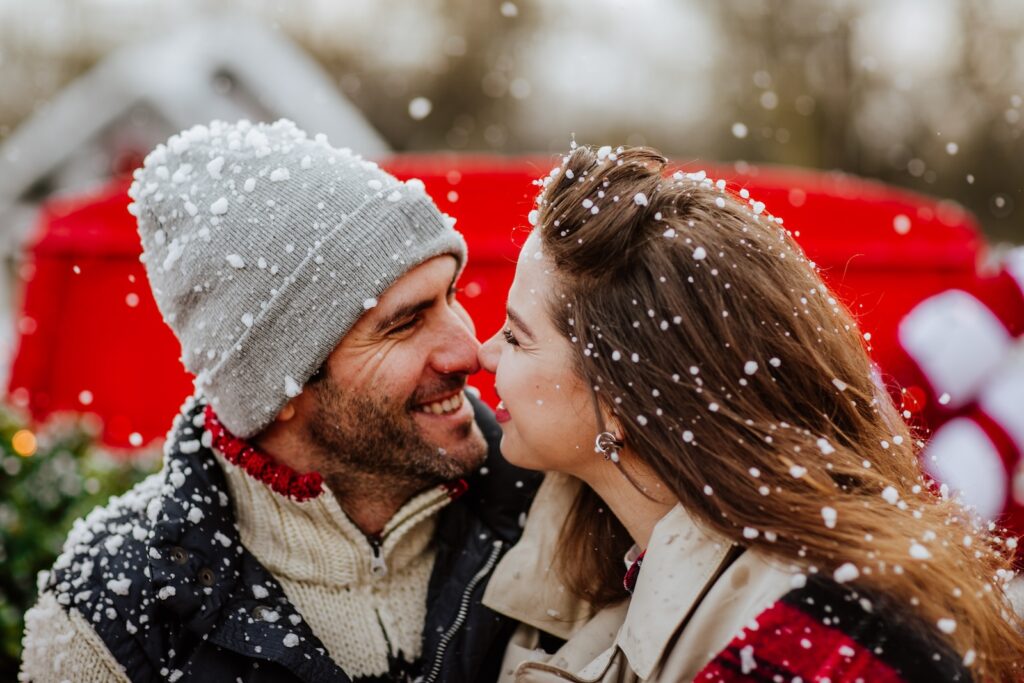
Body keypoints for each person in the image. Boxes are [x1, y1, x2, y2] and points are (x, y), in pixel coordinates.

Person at [477, 145, 1024, 682]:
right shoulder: (594, 545)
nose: (485, 352)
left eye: (517, 337)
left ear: (622, 399)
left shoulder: (820, 648)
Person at [19, 119, 538, 683]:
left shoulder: (555, 514)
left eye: (451, 295)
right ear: (281, 388)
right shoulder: (112, 617)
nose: (470, 351)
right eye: (405, 323)